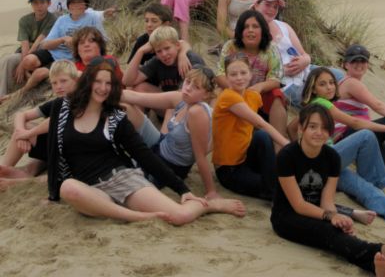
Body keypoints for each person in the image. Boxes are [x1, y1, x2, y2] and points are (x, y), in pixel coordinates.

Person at [47, 60, 246, 224]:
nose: (102, 88)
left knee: (179, 216)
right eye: (98, 82)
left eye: (108, 84)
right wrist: (52, 194)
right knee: (68, 188)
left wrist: (182, 189)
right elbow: (54, 151)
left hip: (121, 179)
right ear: (88, 82)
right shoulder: (62, 108)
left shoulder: (115, 117)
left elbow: (144, 155)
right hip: (90, 189)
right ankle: (137, 216)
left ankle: (209, 206)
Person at [271, 103, 385, 275]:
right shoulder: (286, 156)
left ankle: (376, 258)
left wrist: (337, 218)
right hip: (286, 216)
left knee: (338, 230)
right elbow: (298, 205)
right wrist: (330, 216)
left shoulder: (332, 158)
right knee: (326, 232)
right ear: (301, 128)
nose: (319, 132)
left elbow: (327, 201)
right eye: (313, 126)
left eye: (325, 128)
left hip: (318, 211)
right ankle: (376, 255)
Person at [298, 67, 385, 224]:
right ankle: (377, 182)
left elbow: (292, 127)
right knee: (366, 135)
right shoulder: (321, 103)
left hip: (325, 170)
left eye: (332, 83)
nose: (330, 87)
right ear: (313, 89)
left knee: (363, 188)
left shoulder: (311, 106)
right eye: (323, 84)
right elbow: (355, 123)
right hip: (322, 160)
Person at [121, 65, 219, 198]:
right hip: (160, 145)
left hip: (170, 166)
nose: (188, 88)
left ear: (206, 94)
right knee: (126, 107)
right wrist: (104, 93)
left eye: (196, 87)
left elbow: (200, 156)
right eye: (187, 81)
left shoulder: (197, 112)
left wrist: (211, 191)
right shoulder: (182, 98)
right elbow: (136, 97)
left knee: (124, 177)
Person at [212, 53, 289, 199]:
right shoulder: (228, 96)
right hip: (229, 170)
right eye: (233, 74)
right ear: (226, 78)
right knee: (280, 188)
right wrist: (287, 144)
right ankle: (272, 190)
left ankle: (274, 182)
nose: (239, 77)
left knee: (261, 137)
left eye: (243, 73)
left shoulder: (253, 96)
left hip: (246, 158)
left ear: (251, 74)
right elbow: (261, 123)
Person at [251, 0, 343, 108]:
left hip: (306, 70)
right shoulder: (250, 32)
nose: (271, 10)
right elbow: (254, 69)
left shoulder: (283, 26)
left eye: (275, 7)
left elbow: (304, 54)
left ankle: (347, 111)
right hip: (285, 81)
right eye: (267, 5)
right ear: (256, 6)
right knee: (313, 102)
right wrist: (282, 71)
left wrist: (305, 61)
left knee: (339, 76)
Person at [0, 60, 78, 189]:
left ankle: (20, 180)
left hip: (73, 152)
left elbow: (55, 121)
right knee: (24, 126)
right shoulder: (57, 102)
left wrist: (27, 134)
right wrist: (21, 132)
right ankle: (5, 169)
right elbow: (21, 115)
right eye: (54, 83)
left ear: (75, 81)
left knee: (66, 176)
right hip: (55, 148)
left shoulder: (79, 101)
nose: (59, 86)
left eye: (64, 81)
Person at [216, 10, 287, 137]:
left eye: (255, 26)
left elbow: (275, 79)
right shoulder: (230, 46)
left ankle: (280, 147)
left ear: (262, 30)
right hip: (233, 91)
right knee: (218, 93)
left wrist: (259, 88)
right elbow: (220, 75)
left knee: (277, 96)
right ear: (240, 31)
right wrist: (237, 90)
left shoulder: (271, 49)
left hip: (259, 96)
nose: (250, 30)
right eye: (246, 27)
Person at [336, 44, 385, 177]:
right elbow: (377, 106)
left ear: (367, 64)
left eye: (363, 60)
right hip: (348, 134)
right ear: (346, 64)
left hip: (352, 133)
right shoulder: (351, 83)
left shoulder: (349, 82)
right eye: (354, 60)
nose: (359, 64)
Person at [22, 0, 107, 79]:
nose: (76, 5)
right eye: (73, 3)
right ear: (68, 5)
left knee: (45, 73)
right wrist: (62, 39)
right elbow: (44, 44)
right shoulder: (62, 20)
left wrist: (79, 44)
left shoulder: (93, 18)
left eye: (80, 2)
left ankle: (48, 73)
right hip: (55, 54)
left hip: (77, 57)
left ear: (86, 4)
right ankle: (47, 72)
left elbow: (103, 41)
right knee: (28, 61)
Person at [0, 0, 56, 99]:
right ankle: (2, 95)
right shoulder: (24, 20)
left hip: (42, 54)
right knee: (8, 60)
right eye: (35, 3)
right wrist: (22, 63)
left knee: (28, 63)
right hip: (25, 53)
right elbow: (24, 45)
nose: (39, 6)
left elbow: (38, 42)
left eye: (42, 2)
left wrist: (23, 65)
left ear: (49, 3)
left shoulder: (52, 19)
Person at [123, 26, 203, 97]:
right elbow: (127, 81)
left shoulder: (191, 60)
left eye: (167, 48)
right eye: (159, 51)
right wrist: (140, 51)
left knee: (177, 101)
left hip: (189, 105)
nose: (164, 54)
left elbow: (193, 94)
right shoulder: (157, 61)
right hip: (168, 103)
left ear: (177, 45)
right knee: (139, 88)